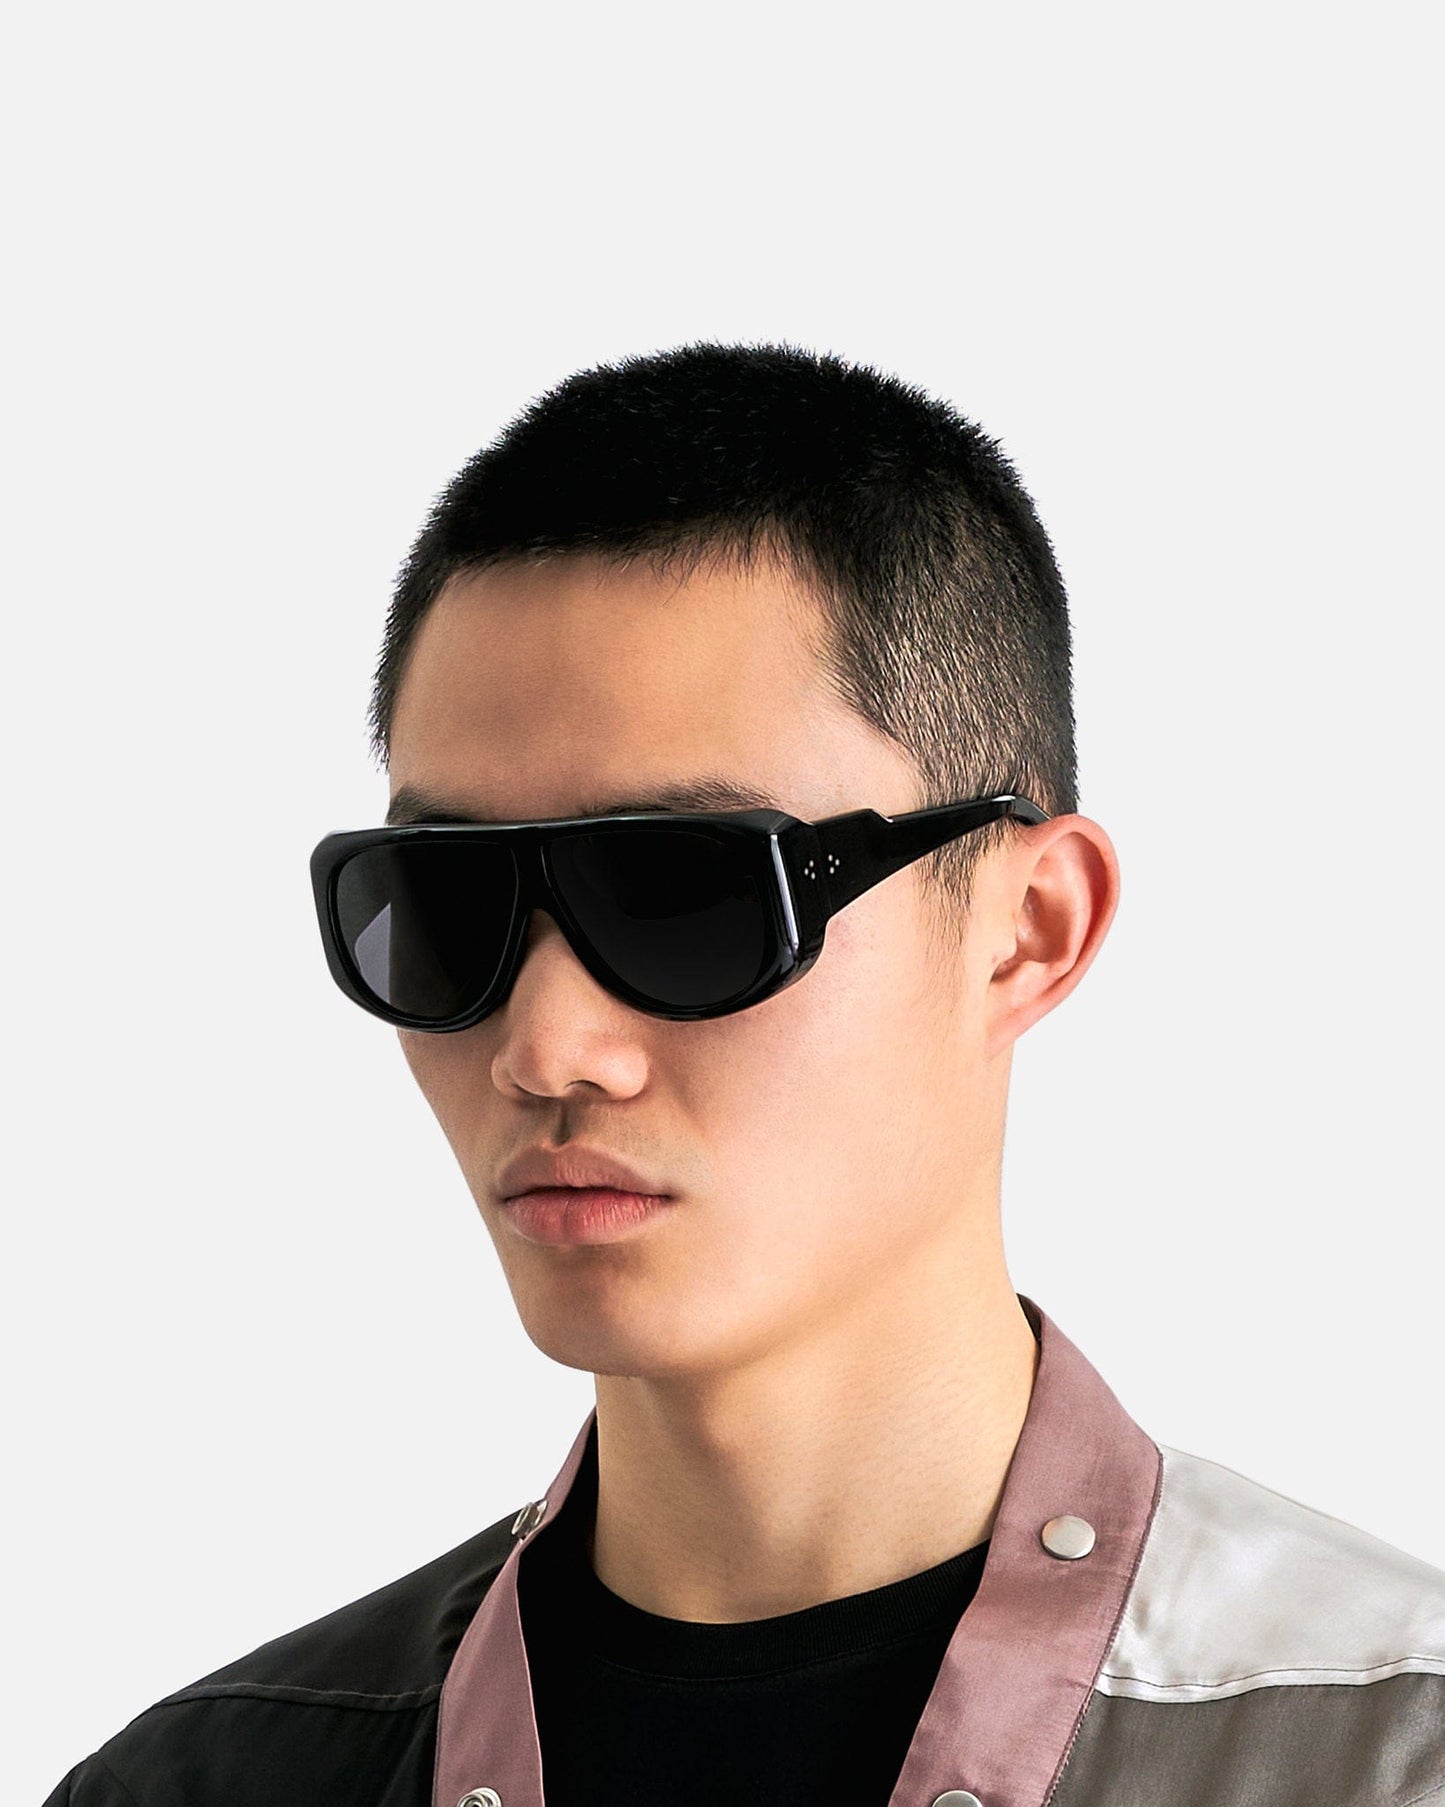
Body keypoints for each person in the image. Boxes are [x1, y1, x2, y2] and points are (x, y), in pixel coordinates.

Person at [45, 342, 1445, 1807]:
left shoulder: (1387, 1761)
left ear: (1029, 931)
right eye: (446, 907)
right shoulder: (204, 1784)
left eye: (689, 897)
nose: (545, 1048)